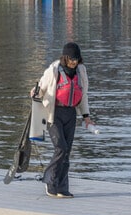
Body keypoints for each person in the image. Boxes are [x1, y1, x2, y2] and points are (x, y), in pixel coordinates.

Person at [31, 42, 94, 198]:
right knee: (61, 148)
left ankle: (62, 187)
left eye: (77, 59)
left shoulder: (81, 71)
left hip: (70, 113)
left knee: (67, 152)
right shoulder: (53, 70)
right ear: (65, 58)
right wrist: (35, 93)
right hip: (54, 113)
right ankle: (49, 180)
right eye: (72, 59)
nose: (74, 62)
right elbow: (41, 88)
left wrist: (86, 117)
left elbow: (83, 95)